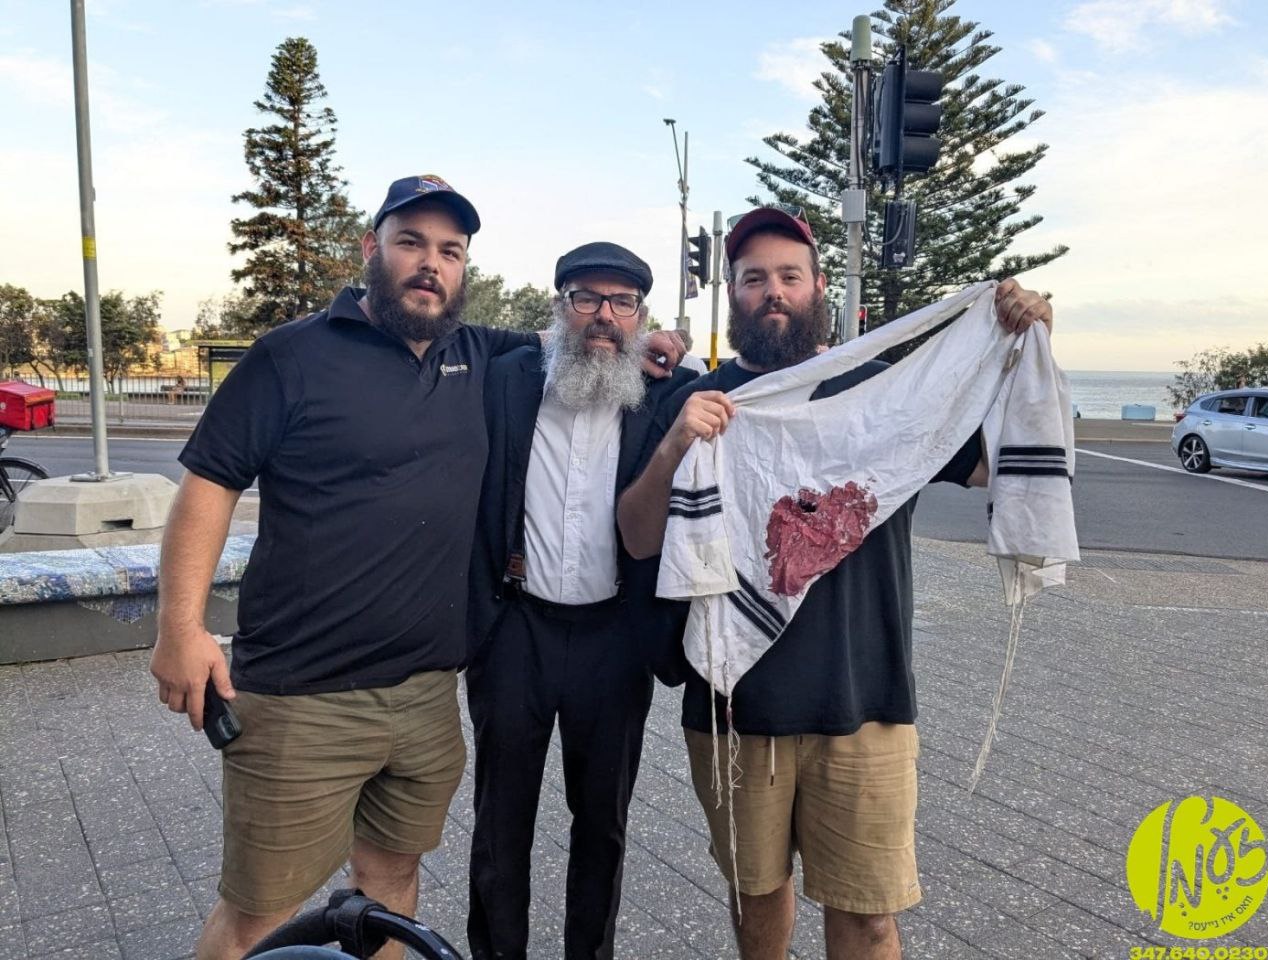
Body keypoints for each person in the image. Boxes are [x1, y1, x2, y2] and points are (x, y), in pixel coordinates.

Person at [150, 174, 685, 960]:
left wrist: (658, 341)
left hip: (441, 685)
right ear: (372, 248)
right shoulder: (299, 355)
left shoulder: (490, 356)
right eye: (412, 243)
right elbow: (209, 483)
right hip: (328, 685)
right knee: (266, 915)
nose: (431, 263)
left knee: (396, 881)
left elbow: (596, 345)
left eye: (450, 251)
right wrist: (179, 626)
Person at [616, 207, 1053, 960]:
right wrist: (677, 442)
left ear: (820, 287)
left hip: (867, 704)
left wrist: (1027, 346)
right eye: (754, 278)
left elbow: (994, 464)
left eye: (790, 276)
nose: (773, 292)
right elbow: (635, 536)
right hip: (736, 709)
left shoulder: (883, 395)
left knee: (871, 917)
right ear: (733, 294)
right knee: (757, 904)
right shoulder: (695, 402)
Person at [465, 242, 695, 960]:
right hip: (516, 631)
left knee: (602, 826)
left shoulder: (666, 395)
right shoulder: (507, 379)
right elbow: (454, 335)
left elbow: (756, 391)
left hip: (614, 639)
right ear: (559, 307)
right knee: (500, 823)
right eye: (586, 298)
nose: (604, 315)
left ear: (640, 316)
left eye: (622, 303)